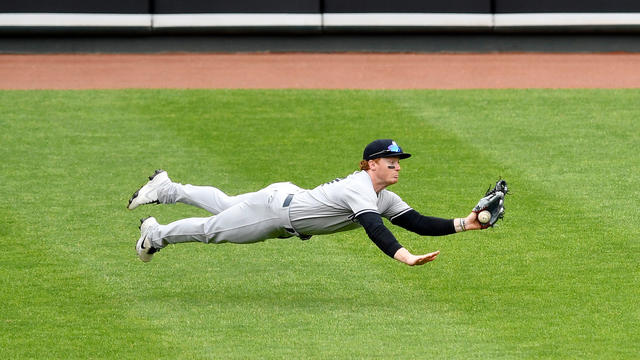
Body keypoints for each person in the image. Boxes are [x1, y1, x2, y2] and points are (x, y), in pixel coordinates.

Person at [128, 139, 483, 265]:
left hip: (284, 195)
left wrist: (466, 223)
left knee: (226, 203)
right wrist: (404, 257)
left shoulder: (381, 196)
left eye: (399, 161)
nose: (396, 165)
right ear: (371, 164)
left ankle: (167, 188)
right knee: (211, 229)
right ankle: (154, 234)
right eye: (389, 160)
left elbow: (416, 222)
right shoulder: (360, 188)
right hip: (274, 214)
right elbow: (375, 228)